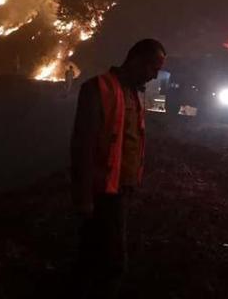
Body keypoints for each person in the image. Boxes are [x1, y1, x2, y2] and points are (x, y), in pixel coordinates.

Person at [70, 39, 166, 298]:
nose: (155, 74)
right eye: (152, 67)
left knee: (92, 256)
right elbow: (83, 145)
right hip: (101, 192)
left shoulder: (133, 92)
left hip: (119, 190)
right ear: (135, 60)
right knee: (112, 263)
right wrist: (83, 197)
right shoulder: (98, 89)